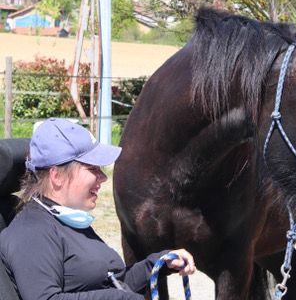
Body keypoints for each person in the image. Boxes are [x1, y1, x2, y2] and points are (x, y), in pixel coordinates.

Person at [0, 118, 196, 300]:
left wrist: (156, 264)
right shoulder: (32, 232)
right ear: (56, 176)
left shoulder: (65, 219)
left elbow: (112, 282)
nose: (103, 178)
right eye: (92, 168)